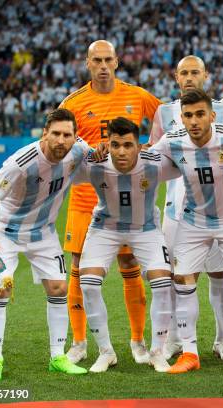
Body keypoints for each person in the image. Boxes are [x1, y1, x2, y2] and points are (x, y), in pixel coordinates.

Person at [151, 89, 223, 375]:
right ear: (181, 118)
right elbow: (145, 160)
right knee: (182, 279)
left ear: (212, 116)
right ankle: (190, 352)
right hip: (193, 222)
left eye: (200, 114)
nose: (194, 121)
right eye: (188, 115)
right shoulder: (173, 140)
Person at [59, 40, 162, 365]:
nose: (102, 66)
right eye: (96, 60)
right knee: (78, 271)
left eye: (108, 60)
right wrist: (91, 151)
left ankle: (137, 341)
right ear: (88, 63)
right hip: (85, 199)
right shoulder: (74, 101)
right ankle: (78, 343)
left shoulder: (137, 96)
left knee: (130, 267)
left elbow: (167, 124)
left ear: (117, 62)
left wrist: (148, 146)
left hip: (129, 201)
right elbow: (62, 140)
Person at [0, 109, 89, 380]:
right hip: (6, 234)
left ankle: (57, 357)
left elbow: (93, 154)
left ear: (75, 137)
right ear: (45, 134)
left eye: (67, 135)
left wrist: (99, 152)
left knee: (59, 287)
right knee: (2, 287)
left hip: (43, 233)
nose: (62, 140)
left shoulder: (78, 151)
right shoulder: (21, 162)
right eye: (56, 134)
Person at [150, 55, 223, 362]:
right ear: (176, 77)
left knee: (219, 274)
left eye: (195, 72)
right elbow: (153, 159)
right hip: (177, 208)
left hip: (220, 207)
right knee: (180, 276)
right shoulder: (164, 112)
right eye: (184, 73)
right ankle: (176, 338)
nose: (189, 77)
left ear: (206, 75)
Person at [75, 117, 180, 373]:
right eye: (115, 144)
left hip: (145, 228)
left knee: (163, 282)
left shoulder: (155, 164)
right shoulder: (94, 164)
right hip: (105, 228)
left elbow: (190, 160)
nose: (122, 151)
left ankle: (156, 351)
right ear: (107, 144)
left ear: (139, 145)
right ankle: (106, 351)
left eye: (128, 145)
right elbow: (62, 165)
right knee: (87, 283)